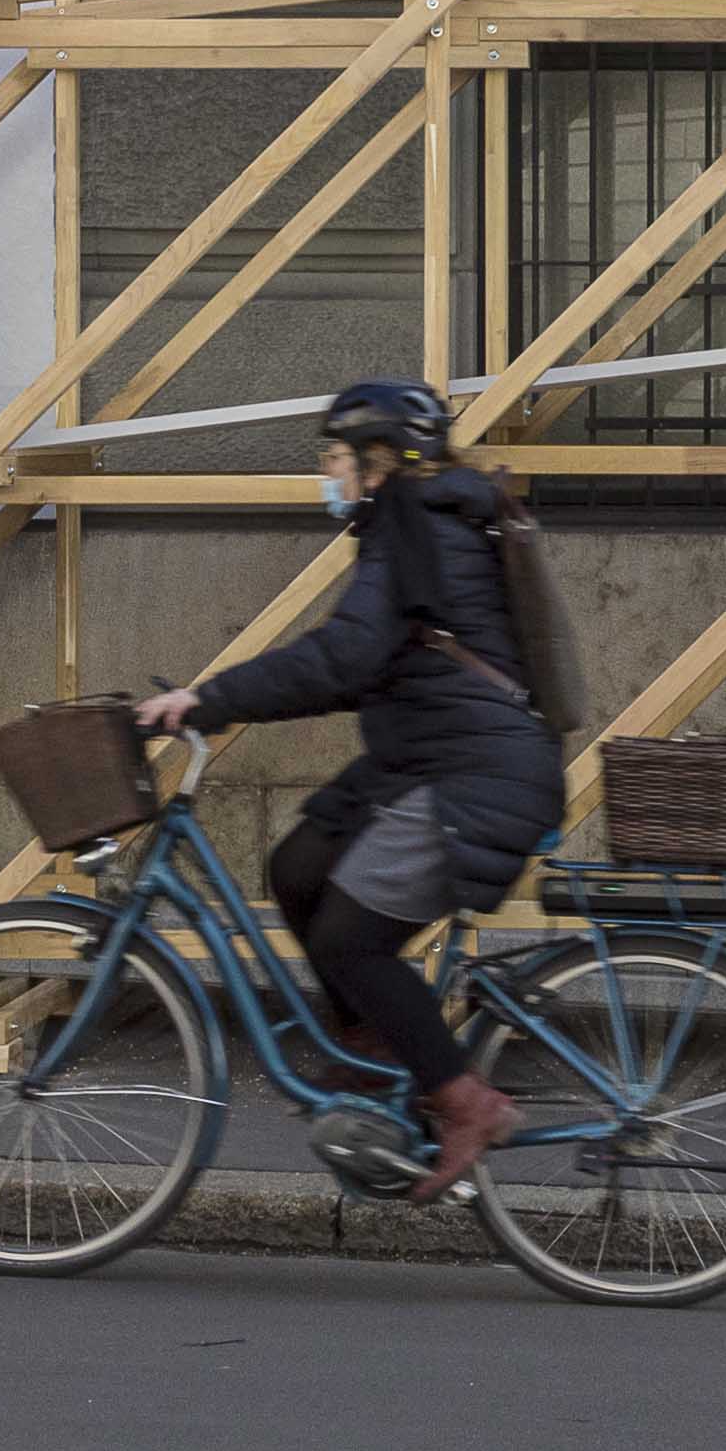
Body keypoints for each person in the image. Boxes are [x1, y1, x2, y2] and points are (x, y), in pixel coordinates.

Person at [132, 378, 560, 1202]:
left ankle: (465, 1102)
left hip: (474, 773)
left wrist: (206, 700)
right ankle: (376, 1049)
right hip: (436, 758)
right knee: (299, 866)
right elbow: (361, 667)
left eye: (334, 455)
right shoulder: (422, 521)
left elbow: (344, 657)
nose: (327, 472)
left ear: (378, 460)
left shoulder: (415, 522)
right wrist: (224, 701)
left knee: (350, 939)